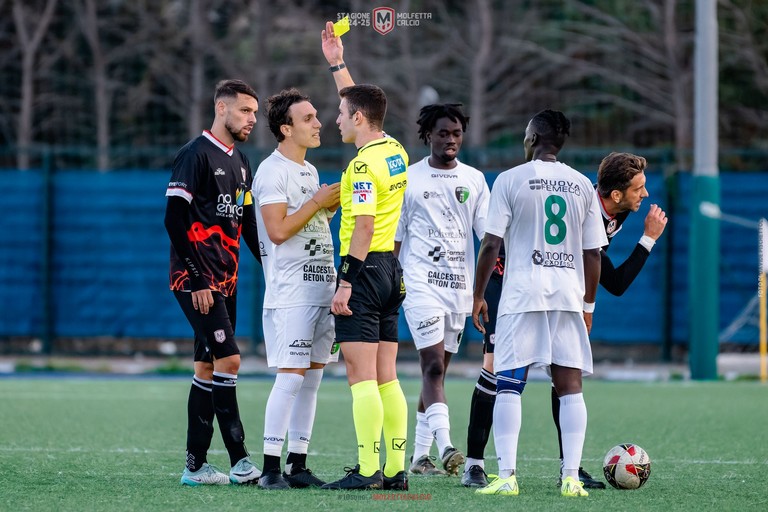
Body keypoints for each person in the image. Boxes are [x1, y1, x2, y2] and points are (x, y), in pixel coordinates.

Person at [461, 151, 668, 489]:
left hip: (551, 285)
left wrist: (646, 238)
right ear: (616, 195)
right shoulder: (586, 207)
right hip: (508, 278)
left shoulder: (617, 211)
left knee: (564, 372)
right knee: (495, 367)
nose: (644, 195)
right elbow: (609, 279)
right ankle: (475, 464)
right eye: (639, 189)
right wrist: (648, 239)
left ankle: (568, 470)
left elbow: (609, 279)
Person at [471, 109, 606, 497]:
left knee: (510, 385)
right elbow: (593, 254)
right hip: (567, 295)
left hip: (522, 294)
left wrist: (479, 295)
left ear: (532, 138)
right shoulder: (582, 185)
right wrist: (589, 305)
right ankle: (569, 478)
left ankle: (508, 477)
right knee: (570, 386)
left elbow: (491, 243)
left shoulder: (510, 179)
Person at [319, 20, 410, 491]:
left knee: (360, 376)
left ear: (357, 120)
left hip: (366, 269)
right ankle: (395, 473)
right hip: (393, 271)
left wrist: (346, 281)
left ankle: (367, 469)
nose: (335, 118)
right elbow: (361, 103)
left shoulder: (360, 166)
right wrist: (337, 63)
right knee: (387, 377)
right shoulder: (394, 149)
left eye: (339, 113)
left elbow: (366, 226)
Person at [165, 79, 263, 486]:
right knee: (230, 359)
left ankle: (195, 467)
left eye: (255, 113)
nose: (252, 119)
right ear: (221, 108)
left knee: (207, 366)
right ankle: (240, 461)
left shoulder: (241, 162)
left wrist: (274, 270)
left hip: (227, 280)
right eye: (245, 111)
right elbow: (174, 219)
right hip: (197, 281)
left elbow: (249, 225)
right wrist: (200, 279)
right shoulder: (194, 155)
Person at [251, 88, 341, 489]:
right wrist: (317, 204)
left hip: (322, 288)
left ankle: (297, 464)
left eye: (316, 116)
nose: (318, 123)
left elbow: (309, 225)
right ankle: (270, 468)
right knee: (290, 377)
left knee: (313, 378)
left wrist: (327, 208)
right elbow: (277, 231)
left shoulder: (309, 171)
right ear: (286, 129)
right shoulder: (272, 171)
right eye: (308, 118)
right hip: (292, 293)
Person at [393, 104, 489, 477]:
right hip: (419, 285)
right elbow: (397, 240)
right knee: (432, 365)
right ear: (427, 135)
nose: (450, 140)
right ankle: (448, 445)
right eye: (443, 133)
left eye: (456, 134)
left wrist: (482, 293)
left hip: (460, 290)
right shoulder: (410, 179)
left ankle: (419, 457)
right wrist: (394, 282)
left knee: (437, 374)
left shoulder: (475, 180)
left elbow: (488, 238)